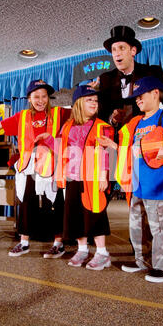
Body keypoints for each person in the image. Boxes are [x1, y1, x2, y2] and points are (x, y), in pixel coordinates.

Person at [99, 76, 163, 282]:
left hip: (157, 185)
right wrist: (112, 144)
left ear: (155, 93)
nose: (137, 100)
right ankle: (142, 260)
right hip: (137, 185)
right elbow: (130, 149)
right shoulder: (136, 122)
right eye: (135, 97)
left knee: (160, 227)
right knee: (138, 226)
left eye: (141, 95)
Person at [0, 79, 70, 257]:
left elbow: (78, 117)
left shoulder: (59, 113)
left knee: (54, 203)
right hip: (28, 165)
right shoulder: (22, 116)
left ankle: (58, 243)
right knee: (26, 203)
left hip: (51, 165)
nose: (40, 100)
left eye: (44, 96)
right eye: (36, 97)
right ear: (29, 98)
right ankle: (24, 242)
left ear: (49, 98)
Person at [36, 85, 114, 270]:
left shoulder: (102, 126)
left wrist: (103, 175)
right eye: (89, 100)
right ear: (78, 103)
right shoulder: (68, 126)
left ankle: (102, 253)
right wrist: (46, 139)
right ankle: (82, 249)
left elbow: (106, 152)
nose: (94, 103)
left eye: (95, 100)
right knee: (76, 215)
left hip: (93, 178)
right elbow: (60, 146)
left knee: (95, 214)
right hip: (72, 178)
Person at [96, 25, 163, 143]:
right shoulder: (106, 79)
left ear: (133, 51)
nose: (117, 54)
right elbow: (102, 115)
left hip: (146, 140)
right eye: (114, 50)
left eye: (121, 48)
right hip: (117, 143)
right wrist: (112, 120)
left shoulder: (150, 73)